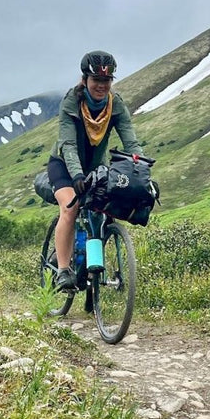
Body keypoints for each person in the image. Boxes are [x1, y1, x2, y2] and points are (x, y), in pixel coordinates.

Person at [47, 51, 144, 290]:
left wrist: (141, 170)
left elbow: (131, 142)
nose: (101, 86)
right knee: (71, 208)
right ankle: (62, 270)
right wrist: (78, 175)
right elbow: (68, 144)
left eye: (107, 81)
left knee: (106, 207)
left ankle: (89, 264)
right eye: (96, 80)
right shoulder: (72, 102)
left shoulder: (116, 105)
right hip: (63, 165)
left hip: (96, 168)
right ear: (85, 80)